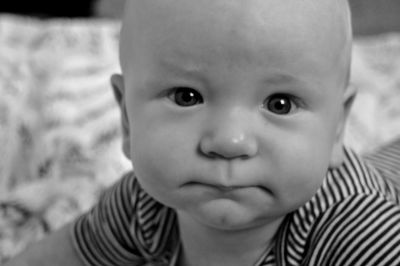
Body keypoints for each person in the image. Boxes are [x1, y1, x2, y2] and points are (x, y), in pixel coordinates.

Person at [5, 0, 400, 265]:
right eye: (186, 96)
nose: (229, 141)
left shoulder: (357, 232)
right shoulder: (145, 205)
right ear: (126, 118)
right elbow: (70, 253)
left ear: (336, 130)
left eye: (280, 104)